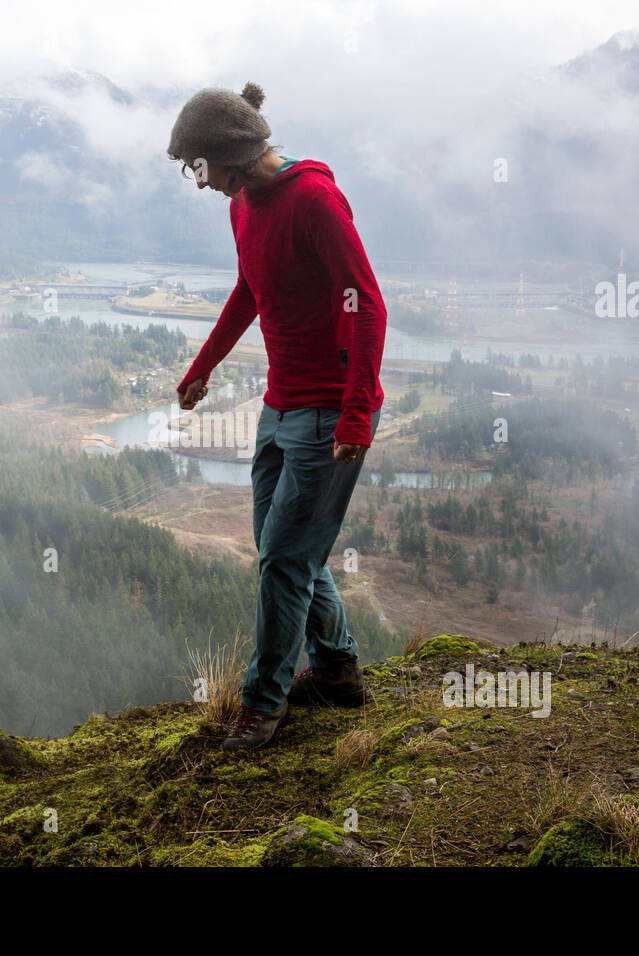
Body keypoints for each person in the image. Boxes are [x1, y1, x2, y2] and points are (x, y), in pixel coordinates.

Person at [166, 81, 387, 751]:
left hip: (329, 417)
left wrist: (355, 413)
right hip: (279, 407)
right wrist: (204, 366)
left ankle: (261, 709)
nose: (198, 184)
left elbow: (367, 304)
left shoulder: (313, 200)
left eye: (198, 168)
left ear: (231, 154)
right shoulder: (243, 206)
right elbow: (250, 289)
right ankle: (339, 671)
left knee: (286, 563)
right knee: (283, 552)